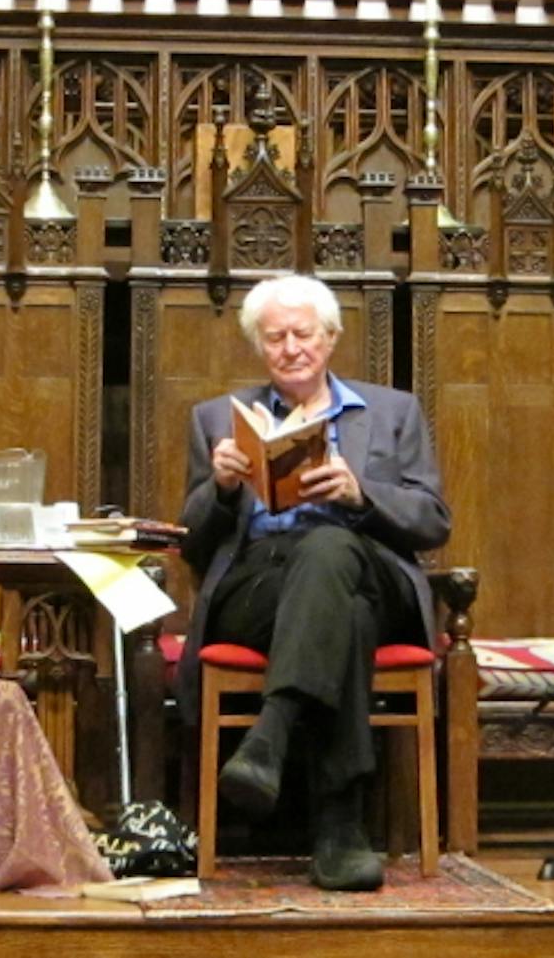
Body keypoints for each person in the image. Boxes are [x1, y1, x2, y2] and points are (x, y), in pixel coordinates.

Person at [176, 274, 450, 891]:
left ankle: (270, 736)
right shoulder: (218, 418)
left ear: (330, 338)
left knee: (331, 550)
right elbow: (191, 541)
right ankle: (339, 827)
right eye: (275, 338)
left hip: (371, 572)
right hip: (260, 585)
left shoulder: (392, 412)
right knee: (340, 614)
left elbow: (433, 520)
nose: (291, 348)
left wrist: (361, 493)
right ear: (259, 346)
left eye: (303, 334)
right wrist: (219, 489)